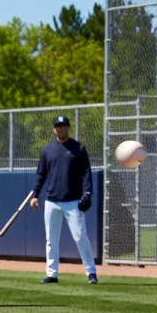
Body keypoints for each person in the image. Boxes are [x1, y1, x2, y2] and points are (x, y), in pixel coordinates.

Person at [29, 114, 97, 285]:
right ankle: (52, 274)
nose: (62, 128)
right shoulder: (47, 150)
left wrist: (87, 193)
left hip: (73, 200)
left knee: (80, 236)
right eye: (59, 126)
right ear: (54, 129)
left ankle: (91, 272)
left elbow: (86, 174)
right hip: (51, 200)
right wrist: (35, 195)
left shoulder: (78, 148)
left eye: (64, 125)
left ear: (68, 127)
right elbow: (41, 174)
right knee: (51, 239)